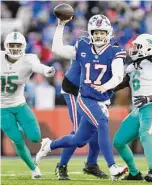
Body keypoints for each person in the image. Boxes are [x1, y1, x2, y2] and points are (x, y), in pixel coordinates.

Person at [35, 14, 128, 180]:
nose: (99, 36)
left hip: (99, 95)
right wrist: (61, 25)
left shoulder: (114, 51)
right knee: (97, 125)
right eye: (96, 32)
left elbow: (118, 74)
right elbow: (58, 49)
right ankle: (64, 165)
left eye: (102, 32)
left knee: (83, 137)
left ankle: (80, 158)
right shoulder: (83, 46)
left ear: (109, 33)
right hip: (77, 91)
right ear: (90, 33)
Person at [112, 33, 152, 182]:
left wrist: (148, 98)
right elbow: (121, 84)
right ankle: (134, 173)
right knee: (119, 141)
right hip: (138, 109)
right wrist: (104, 87)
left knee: (145, 134)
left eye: (137, 47)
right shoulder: (132, 67)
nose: (134, 49)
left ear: (148, 48)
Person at [0, 31, 55, 179]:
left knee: (35, 138)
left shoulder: (28, 59)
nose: (15, 48)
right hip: (2, 109)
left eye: (18, 45)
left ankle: (20, 126)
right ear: (6, 46)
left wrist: (46, 70)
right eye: (12, 45)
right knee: (17, 141)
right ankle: (33, 169)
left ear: (24, 46)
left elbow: (38, 66)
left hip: (20, 105)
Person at [55, 60, 108, 180]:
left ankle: (91, 164)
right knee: (78, 131)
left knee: (96, 128)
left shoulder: (108, 49)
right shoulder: (84, 45)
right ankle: (61, 164)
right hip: (73, 90)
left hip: (89, 92)